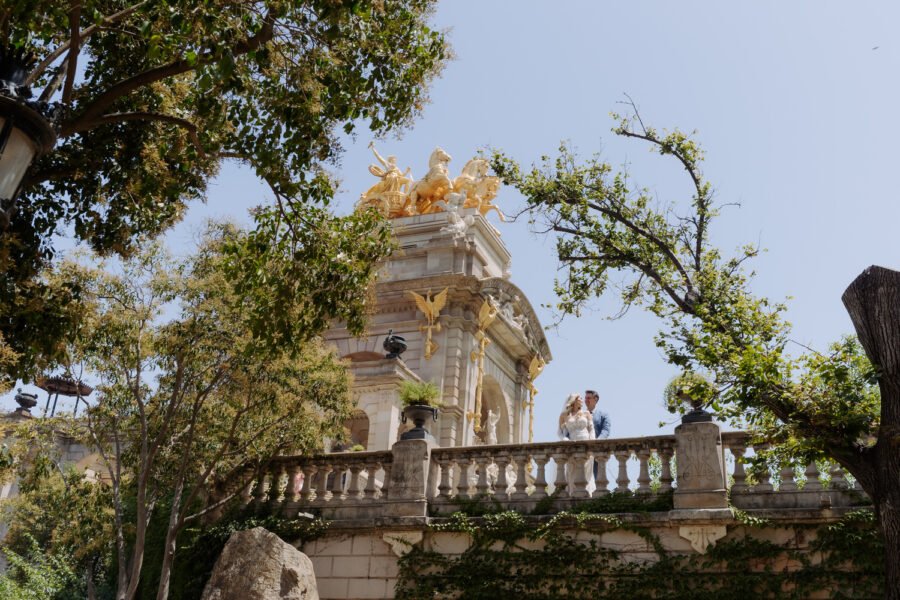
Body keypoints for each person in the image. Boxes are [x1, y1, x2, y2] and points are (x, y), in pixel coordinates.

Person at [558, 393, 594, 493]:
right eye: (580, 398)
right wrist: (564, 439)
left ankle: (587, 494)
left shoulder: (586, 413)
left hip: (586, 444)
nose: (582, 400)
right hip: (572, 445)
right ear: (574, 400)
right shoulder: (564, 415)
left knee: (586, 473)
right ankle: (572, 494)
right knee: (572, 472)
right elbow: (560, 432)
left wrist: (592, 442)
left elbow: (591, 429)